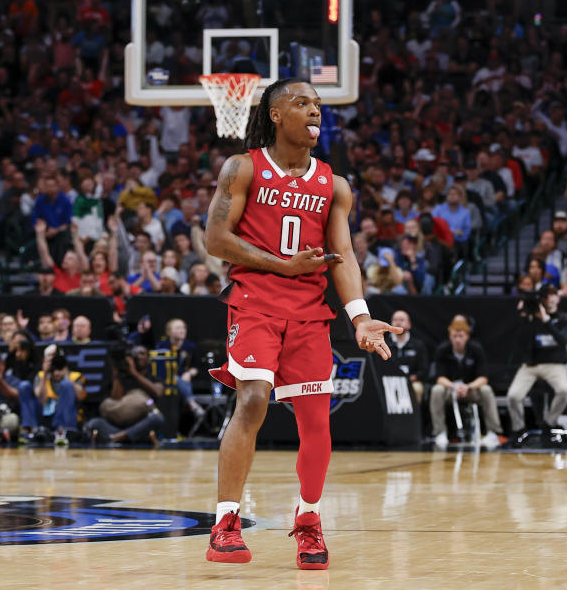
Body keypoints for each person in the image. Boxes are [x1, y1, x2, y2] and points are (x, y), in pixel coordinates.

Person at [203, 78, 401, 569]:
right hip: (254, 303)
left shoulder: (334, 184)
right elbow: (215, 238)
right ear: (274, 114)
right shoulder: (243, 167)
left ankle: (308, 521)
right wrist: (282, 266)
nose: (314, 111)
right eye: (301, 103)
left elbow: (343, 256)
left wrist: (359, 316)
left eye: (317, 104)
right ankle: (226, 522)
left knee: (317, 424)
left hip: (310, 313)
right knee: (252, 398)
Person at [506, 285, 567, 436]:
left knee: (564, 390)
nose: (549, 298)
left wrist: (546, 321)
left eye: (552, 294)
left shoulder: (565, 318)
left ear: (558, 298)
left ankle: (549, 423)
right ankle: (519, 429)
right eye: (545, 295)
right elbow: (519, 342)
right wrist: (523, 318)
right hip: (531, 365)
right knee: (513, 396)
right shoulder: (530, 318)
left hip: (554, 365)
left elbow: (562, 340)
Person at [429, 316, 504, 450]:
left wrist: (468, 386)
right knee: (437, 390)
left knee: (486, 390)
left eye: (461, 336)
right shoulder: (443, 350)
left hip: (470, 389)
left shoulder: (476, 349)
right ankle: (440, 432)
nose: (457, 339)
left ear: (467, 336)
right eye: (454, 336)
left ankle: (493, 432)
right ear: (450, 336)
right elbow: (439, 377)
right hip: (451, 390)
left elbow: (483, 378)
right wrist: (453, 386)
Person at [85, 346, 164, 445]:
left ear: (149, 359)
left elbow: (157, 392)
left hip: (140, 424)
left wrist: (134, 373)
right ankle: (123, 437)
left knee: (158, 418)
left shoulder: (154, 379)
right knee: (95, 423)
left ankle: (122, 437)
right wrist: (116, 374)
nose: (139, 356)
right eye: (135, 354)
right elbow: (115, 399)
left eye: (142, 353)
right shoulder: (123, 378)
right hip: (119, 424)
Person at [18, 344, 86, 446]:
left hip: (64, 418)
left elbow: (81, 396)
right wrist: (45, 374)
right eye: (49, 356)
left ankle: (62, 433)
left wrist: (65, 375)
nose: (52, 359)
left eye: (54, 355)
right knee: (24, 385)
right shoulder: (41, 375)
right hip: (43, 415)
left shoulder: (74, 376)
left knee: (66, 385)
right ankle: (30, 431)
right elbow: (41, 401)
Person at [385, 310, 430, 403]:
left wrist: (412, 378)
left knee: (417, 388)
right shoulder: (385, 344)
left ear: (409, 324)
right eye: (395, 320)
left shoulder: (418, 345)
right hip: (389, 381)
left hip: (412, 381)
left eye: (402, 320)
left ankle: (415, 417)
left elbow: (424, 369)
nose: (398, 323)